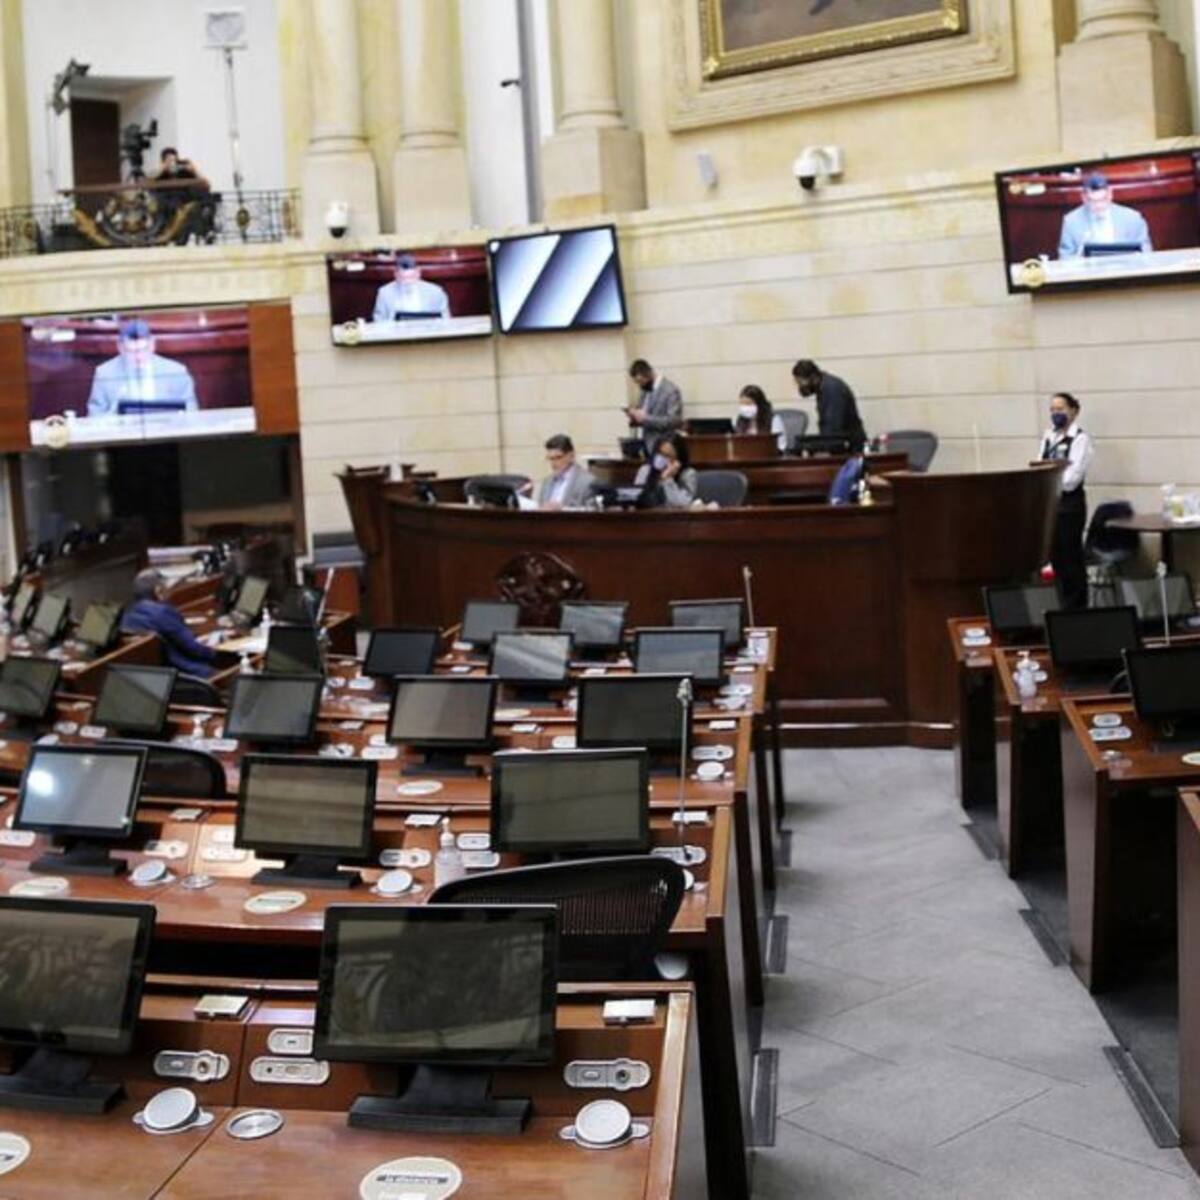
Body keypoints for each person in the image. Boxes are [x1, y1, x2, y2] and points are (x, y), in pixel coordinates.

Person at [1040, 392, 1093, 610]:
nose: (1056, 414)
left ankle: (1077, 607)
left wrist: (1052, 477)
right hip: (1050, 505)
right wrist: (1053, 474)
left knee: (1071, 558)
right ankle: (1062, 604)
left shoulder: (1080, 439)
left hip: (1070, 506)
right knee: (1056, 558)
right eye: (1052, 410)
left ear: (1073, 410)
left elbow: (1071, 480)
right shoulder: (1048, 437)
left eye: (1060, 409)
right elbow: (1039, 467)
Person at [87, 318, 198, 417]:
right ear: (120, 348)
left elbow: (192, 413)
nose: (139, 357)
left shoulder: (176, 372)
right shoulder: (104, 373)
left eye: (143, 350)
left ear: (152, 345)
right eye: (132, 351)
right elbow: (94, 416)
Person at [121, 568, 219, 677]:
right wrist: (215, 650)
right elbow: (193, 648)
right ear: (158, 591)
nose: (170, 591)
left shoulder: (128, 614)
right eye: (166, 587)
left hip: (158, 676)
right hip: (187, 672)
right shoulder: (161, 612)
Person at [1058, 173, 1152, 259]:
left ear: (1110, 194)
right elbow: (1065, 258)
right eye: (1093, 201)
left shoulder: (1132, 218)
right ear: (1084, 198)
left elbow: (1146, 253)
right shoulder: (1071, 221)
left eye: (1103, 199)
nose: (1099, 206)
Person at [792, 358, 866, 452]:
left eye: (801, 382)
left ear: (814, 377)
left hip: (850, 450)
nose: (800, 387)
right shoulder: (824, 387)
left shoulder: (832, 390)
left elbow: (832, 430)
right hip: (844, 446)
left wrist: (817, 447)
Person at [372, 253, 451, 322]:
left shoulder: (435, 292)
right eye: (403, 278)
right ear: (395, 275)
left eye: (411, 277)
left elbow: (445, 319)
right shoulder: (384, 293)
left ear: (418, 273)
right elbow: (379, 320)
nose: (408, 282)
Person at [625, 359, 683, 449]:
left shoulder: (670, 390)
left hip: (664, 445)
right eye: (637, 383)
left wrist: (645, 419)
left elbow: (674, 421)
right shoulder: (645, 389)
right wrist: (634, 415)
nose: (640, 385)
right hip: (646, 443)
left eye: (641, 381)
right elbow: (642, 410)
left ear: (649, 374)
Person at [634, 432, 697, 509]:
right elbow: (637, 499)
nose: (663, 459)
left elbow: (680, 504)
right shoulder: (645, 469)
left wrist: (667, 479)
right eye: (660, 454)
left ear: (679, 459)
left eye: (668, 456)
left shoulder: (688, 474)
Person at [537, 434, 596, 509]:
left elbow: (592, 511)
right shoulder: (547, 482)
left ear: (571, 456)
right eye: (550, 458)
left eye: (558, 457)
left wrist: (563, 509)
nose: (553, 463)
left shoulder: (587, 481)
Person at [736, 384, 787, 451]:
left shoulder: (774, 419)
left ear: (759, 404)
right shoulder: (741, 420)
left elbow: (781, 446)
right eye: (742, 404)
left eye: (748, 403)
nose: (745, 408)